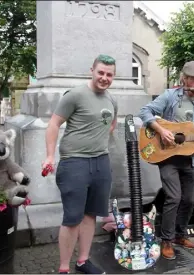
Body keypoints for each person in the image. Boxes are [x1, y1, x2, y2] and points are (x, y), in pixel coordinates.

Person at [42, 54, 118, 274]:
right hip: (74, 163)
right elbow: (54, 124)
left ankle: (83, 261)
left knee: (91, 214)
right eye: (101, 72)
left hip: (101, 163)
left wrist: (97, 138)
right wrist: (49, 156)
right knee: (72, 217)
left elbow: (111, 125)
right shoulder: (74, 95)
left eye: (109, 74)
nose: (104, 77)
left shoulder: (111, 100)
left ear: (114, 76)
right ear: (92, 71)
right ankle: (64, 268)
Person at [138, 61, 194, 260]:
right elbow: (145, 111)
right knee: (174, 197)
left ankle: (180, 235)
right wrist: (162, 131)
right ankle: (166, 240)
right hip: (168, 156)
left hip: (191, 159)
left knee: (190, 199)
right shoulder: (170, 96)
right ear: (184, 79)